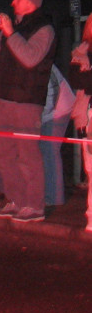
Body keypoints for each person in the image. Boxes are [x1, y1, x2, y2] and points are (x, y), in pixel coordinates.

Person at [0, 0, 56, 223]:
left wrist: (10, 34)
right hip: (6, 98)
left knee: (28, 157)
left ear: (30, 1)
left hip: (27, 101)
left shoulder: (44, 28)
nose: (12, 2)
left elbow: (30, 58)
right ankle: (16, 200)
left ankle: (34, 206)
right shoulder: (16, 28)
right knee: (4, 156)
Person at [39, 64, 74, 208]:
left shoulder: (43, 65)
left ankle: (54, 197)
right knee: (46, 152)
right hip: (52, 109)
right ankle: (50, 194)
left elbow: (51, 92)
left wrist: (40, 119)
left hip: (57, 111)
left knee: (50, 152)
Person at [69, 14, 92, 231]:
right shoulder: (80, 53)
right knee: (91, 169)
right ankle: (91, 216)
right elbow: (77, 79)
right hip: (87, 115)